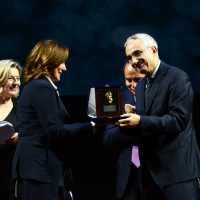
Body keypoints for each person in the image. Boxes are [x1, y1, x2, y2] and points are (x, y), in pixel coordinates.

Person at [117, 33, 200, 200]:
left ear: (154, 50)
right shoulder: (141, 86)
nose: (133, 60)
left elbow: (178, 120)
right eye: (129, 57)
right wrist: (134, 117)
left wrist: (140, 120)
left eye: (137, 53)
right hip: (150, 173)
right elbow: (148, 121)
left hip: (178, 172)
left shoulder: (177, 77)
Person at [12, 40, 96, 200]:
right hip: (39, 171)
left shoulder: (37, 86)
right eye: (61, 62)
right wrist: (92, 126)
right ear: (49, 61)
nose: (64, 68)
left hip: (39, 170)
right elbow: (55, 131)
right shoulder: (41, 87)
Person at [102, 62, 145, 200]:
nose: (132, 85)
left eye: (137, 80)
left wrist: (140, 120)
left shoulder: (157, 99)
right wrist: (125, 125)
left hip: (153, 172)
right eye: (128, 80)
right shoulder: (119, 100)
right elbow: (107, 139)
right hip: (127, 176)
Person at [0, 59, 22, 200]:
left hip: (11, 180)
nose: (16, 83)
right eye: (10, 78)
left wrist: (22, 137)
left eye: (18, 78)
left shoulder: (22, 108)